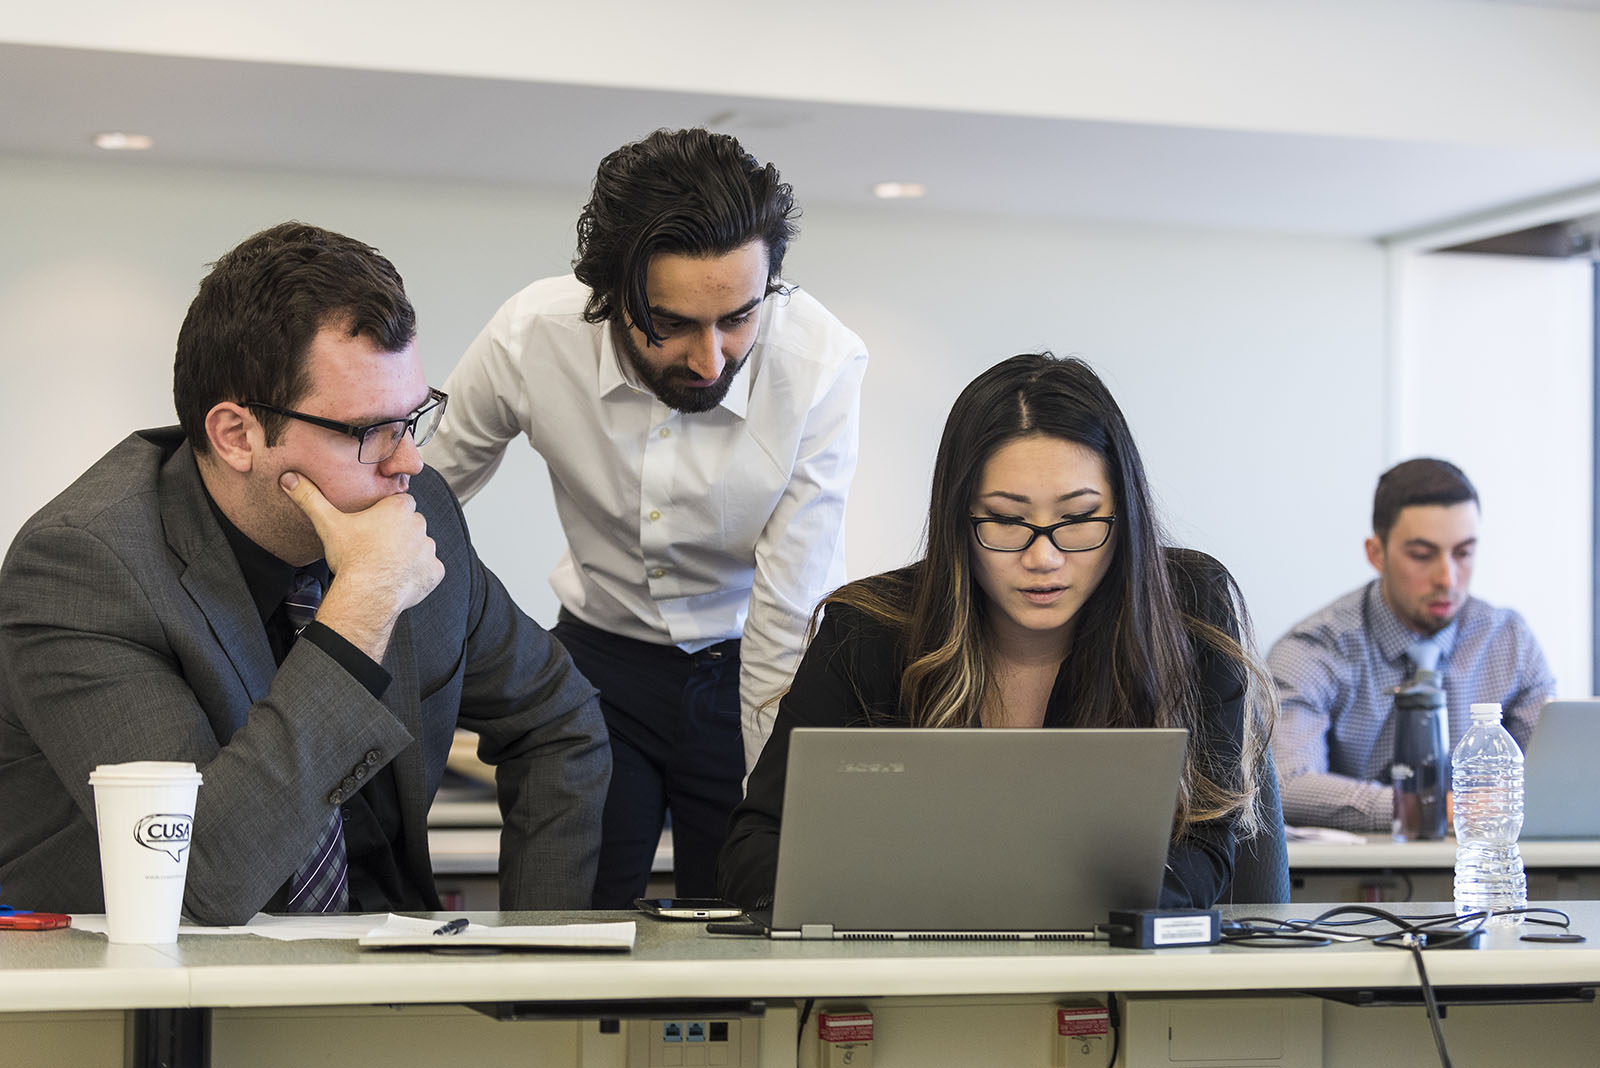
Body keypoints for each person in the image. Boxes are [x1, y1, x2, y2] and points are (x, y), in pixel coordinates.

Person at [0, 222, 610, 924]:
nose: (408, 462)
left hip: (391, 957)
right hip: (164, 973)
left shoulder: (418, 512)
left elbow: (559, 720)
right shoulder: (85, 569)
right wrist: (363, 606)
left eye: (413, 418)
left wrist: (537, 949)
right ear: (237, 436)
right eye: (368, 431)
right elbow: (203, 879)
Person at [425, 128, 868, 907]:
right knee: (567, 919)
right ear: (608, 295)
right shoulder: (532, 337)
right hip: (596, 664)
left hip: (751, 666)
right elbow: (422, 496)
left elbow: (790, 603)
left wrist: (774, 809)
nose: (710, 359)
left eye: (738, 318)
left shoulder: (820, 364)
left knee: (743, 918)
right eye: (673, 323)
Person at [717, 354, 1273, 911]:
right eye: (1006, 520)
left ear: (1124, 514)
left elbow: (1201, 854)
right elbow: (755, 852)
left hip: (1112, 958)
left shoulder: (1188, 608)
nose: (1043, 557)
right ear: (957, 519)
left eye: (1079, 519)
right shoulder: (867, 629)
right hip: (910, 957)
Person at [1270, 458, 1555, 831]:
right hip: (1358, 864)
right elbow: (1286, 784)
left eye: (1463, 553)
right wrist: (1425, 809)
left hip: (1481, 858)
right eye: (1422, 555)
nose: (1447, 579)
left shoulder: (1510, 642)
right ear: (1376, 554)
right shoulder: (1314, 650)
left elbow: (1556, 779)